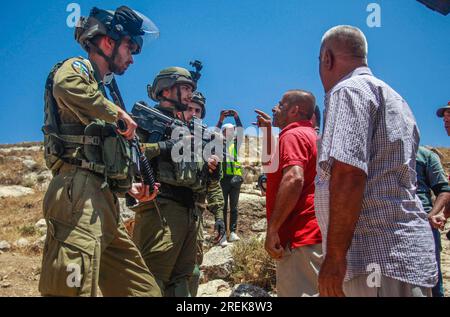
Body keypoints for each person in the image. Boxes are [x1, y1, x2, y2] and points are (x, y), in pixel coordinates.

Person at [39, 6, 161, 297]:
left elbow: (100, 150)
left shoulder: (101, 89)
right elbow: (64, 85)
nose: (132, 58)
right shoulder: (77, 68)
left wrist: (128, 186)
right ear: (108, 42)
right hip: (78, 195)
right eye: (130, 48)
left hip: (104, 200)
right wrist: (115, 113)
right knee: (71, 289)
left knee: (144, 292)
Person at [315, 25, 437, 297]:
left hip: (372, 259)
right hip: (405, 255)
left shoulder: (346, 90)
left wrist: (334, 258)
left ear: (327, 58)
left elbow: (349, 173)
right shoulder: (397, 99)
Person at [131, 67, 221, 297]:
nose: (191, 95)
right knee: (152, 278)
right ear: (166, 90)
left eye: (192, 89)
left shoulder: (191, 129)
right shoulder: (146, 121)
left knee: (185, 281)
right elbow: (130, 155)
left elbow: (200, 176)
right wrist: (167, 146)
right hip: (161, 208)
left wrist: (211, 170)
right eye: (185, 88)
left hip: (191, 211)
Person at [254, 90, 323, 297]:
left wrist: (273, 228)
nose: (275, 109)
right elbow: (271, 168)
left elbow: (294, 177)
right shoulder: (312, 136)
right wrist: (267, 132)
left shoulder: (292, 135)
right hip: (316, 234)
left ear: (294, 110)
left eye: (281, 105)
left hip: (299, 236)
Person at [181, 91, 225, 297]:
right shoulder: (167, 131)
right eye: (189, 109)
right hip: (165, 210)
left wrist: (218, 215)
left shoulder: (207, 143)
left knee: (193, 270)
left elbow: (213, 184)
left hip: (195, 213)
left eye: (198, 110)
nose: (193, 113)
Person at [416, 146, 450, 297]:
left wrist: (432, 214)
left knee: (432, 277)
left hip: (424, 224)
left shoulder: (425, 156)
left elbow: (443, 189)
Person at [216, 110, 244, 244]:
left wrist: (236, 117)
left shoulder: (235, 144)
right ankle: (222, 235)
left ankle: (232, 232)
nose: (232, 132)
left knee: (234, 207)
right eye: (229, 130)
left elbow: (241, 131)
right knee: (222, 207)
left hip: (235, 180)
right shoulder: (217, 144)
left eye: (233, 130)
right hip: (222, 180)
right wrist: (221, 119)